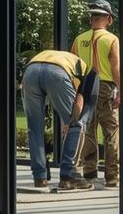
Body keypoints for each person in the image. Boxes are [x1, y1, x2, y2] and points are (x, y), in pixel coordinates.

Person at [22, 49, 94, 191]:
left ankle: (40, 178)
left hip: (30, 71)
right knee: (76, 125)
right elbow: (83, 102)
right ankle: (68, 177)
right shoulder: (90, 73)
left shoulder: (66, 58)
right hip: (57, 73)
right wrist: (71, 121)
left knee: (35, 129)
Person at [70, 0, 122, 187]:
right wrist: (121, 91)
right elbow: (115, 69)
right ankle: (112, 177)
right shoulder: (112, 39)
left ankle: (90, 173)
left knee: (88, 131)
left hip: (84, 87)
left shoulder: (79, 39)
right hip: (105, 86)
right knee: (111, 131)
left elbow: (74, 67)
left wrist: (76, 92)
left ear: (91, 18)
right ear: (108, 18)